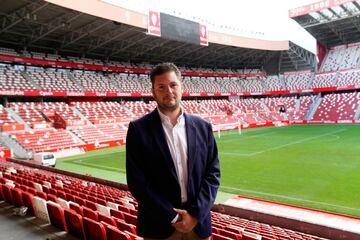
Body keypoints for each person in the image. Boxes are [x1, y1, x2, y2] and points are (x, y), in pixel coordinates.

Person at [126, 63, 220, 240]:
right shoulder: (138, 129)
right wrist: (174, 216)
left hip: (198, 225)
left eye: (173, 85)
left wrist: (195, 215)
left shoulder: (203, 127)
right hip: (158, 226)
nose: (168, 91)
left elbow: (213, 174)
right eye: (161, 87)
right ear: (153, 92)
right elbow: (137, 182)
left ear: (181, 88)